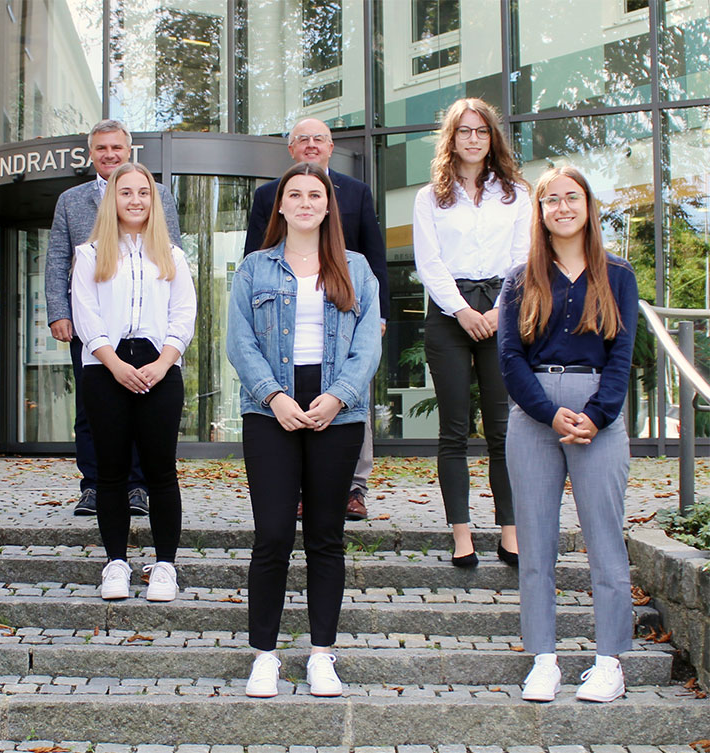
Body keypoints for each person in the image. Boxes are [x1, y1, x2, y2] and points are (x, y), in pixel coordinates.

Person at [227, 162, 381, 699]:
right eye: (296, 194)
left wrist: (338, 396)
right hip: (271, 410)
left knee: (325, 537)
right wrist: (275, 395)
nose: (306, 202)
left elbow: (368, 345)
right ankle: (264, 656)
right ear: (282, 206)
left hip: (337, 408)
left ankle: (321, 655)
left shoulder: (357, 268)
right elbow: (239, 342)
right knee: (272, 535)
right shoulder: (253, 269)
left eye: (316, 194)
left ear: (328, 205)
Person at [498, 166, 638, 704]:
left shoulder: (617, 274)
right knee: (536, 543)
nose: (561, 207)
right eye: (550, 199)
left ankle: (608, 662)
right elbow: (509, 357)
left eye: (571, 197)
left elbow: (622, 354)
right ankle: (544, 659)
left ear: (587, 206)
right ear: (540, 212)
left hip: (597, 411)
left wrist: (597, 416)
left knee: (605, 540)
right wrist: (547, 412)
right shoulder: (521, 277)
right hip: (535, 414)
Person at [245, 117, 387, 521]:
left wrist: (379, 316)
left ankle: (352, 489)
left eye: (319, 139)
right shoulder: (268, 197)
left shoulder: (356, 193)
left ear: (330, 147)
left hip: (346, 313)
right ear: (290, 149)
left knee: (347, 399)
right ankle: (298, 491)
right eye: (302, 139)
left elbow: (374, 257)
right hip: (282, 319)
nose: (311, 145)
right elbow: (255, 253)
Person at [412, 97, 530, 568]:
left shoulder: (516, 194)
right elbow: (429, 263)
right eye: (464, 131)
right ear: (452, 138)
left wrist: (500, 311)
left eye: (481, 130)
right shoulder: (430, 197)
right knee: (454, 430)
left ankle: (510, 532)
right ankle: (462, 534)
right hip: (449, 313)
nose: (474, 138)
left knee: (503, 430)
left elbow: (523, 258)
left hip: (505, 311)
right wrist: (463, 311)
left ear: (492, 137)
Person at [71, 163, 196, 603]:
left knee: (162, 471)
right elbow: (86, 315)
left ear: (153, 199)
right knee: (111, 472)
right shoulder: (90, 255)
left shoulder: (173, 256)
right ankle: (116, 563)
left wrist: (163, 364)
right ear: (113, 199)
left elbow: (183, 315)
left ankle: (164, 565)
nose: (136, 200)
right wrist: (114, 364)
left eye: (144, 192)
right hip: (105, 368)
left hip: (160, 367)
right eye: (126, 193)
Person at [45, 119, 181, 517]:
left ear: (128, 150)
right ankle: (94, 485)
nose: (109, 154)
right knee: (91, 409)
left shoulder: (158, 196)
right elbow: (57, 260)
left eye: (116, 148)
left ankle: (137, 487)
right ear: (91, 153)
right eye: (101, 148)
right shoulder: (71, 201)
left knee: (143, 403)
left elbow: (170, 253)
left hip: (146, 327)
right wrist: (59, 311)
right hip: (90, 327)